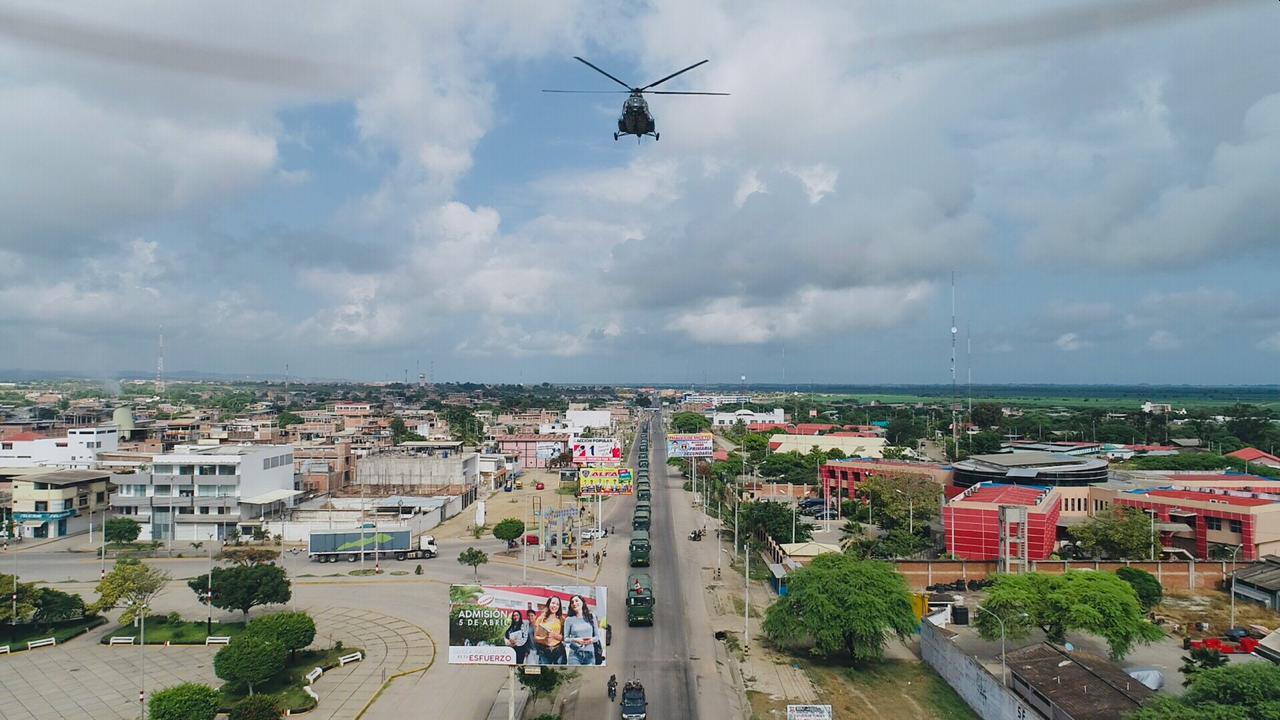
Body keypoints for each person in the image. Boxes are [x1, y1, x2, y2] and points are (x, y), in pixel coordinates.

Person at [563, 594, 599, 666]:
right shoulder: (569, 620)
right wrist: (576, 640)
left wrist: (590, 640)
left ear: (582, 602)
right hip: (574, 655)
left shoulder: (591, 617)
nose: (574, 604)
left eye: (576, 601)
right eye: (572, 602)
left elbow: (597, 637)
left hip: (590, 654)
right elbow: (566, 639)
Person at [533, 596, 566, 665]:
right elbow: (535, 638)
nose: (555, 606)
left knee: (561, 673)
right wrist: (544, 639)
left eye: (557, 604)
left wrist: (554, 635)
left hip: (559, 651)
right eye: (553, 603)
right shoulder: (540, 619)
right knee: (545, 673)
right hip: (544, 651)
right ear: (548, 604)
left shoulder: (562, 619)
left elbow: (564, 638)